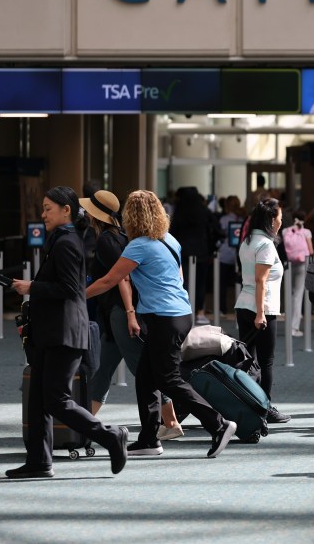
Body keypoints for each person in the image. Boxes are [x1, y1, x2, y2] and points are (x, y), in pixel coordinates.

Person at [86, 190, 237, 458]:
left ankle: (218, 423)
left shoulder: (138, 245)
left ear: (131, 216)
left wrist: (75, 295)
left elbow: (111, 280)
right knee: (145, 378)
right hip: (178, 314)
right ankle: (148, 439)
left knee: (168, 379)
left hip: (165, 318)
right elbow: (177, 278)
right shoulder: (170, 240)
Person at [8, 186, 129, 479]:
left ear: (66, 211)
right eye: (43, 207)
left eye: (49, 208)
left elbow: (70, 290)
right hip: (52, 332)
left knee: (56, 399)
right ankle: (39, 461)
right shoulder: (62, 240)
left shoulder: (66, 243)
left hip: (65, 333)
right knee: (37, 398)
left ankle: (111, 436)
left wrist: (31, 287)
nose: (43, 213)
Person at [82, 190, 183, 441]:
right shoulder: (125, 236)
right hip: (116, 315)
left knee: (144, 369)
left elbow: (120, 279)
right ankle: (83, 424)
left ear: (95, 215)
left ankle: (170, 421)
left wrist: (129, 313)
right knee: (103, 369)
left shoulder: (107, 240)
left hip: (120, 314)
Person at [235, 198, 291, 424]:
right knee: (265, 361)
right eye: (279, 217)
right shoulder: (266, 245)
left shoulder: (247, 241)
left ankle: (248, 403)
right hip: (262, 309)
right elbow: (261, 281)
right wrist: (261, 313)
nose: (281, 221)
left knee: (248, 360)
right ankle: (265, 407)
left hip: (243, 305)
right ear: (270, 219)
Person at [169, 186, 218, 325]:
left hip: (182, 252)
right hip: (202, 251)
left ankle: (184, 310)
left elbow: (173, 231)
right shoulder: (203, 211)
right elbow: (216, 228)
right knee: (200, 283)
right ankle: (200, 312)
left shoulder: (179, 211)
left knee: (183, 282)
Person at [281, 209, 314, 337]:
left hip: (288, 265)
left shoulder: (285, 231)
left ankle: (288, 325)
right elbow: (311, 250)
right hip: (302, 264)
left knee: (288, 295)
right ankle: (294, 327)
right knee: (298, 295)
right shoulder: (306, 232)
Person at [217, 195, 245, 317]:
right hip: (240, 255)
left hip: (224, 254)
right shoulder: (243, 219)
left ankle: (222, 308)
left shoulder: (224, 219)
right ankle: (241, 308)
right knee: (242, 283)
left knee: (221, 283)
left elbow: (219, 237)